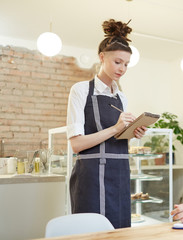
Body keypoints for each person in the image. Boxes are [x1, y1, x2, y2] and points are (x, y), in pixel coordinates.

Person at [66, 19, 146, 228]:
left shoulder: (122, 97)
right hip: (90, 177)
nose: (122, 69)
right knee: (90, 230)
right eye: (118, 62)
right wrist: (116, 128)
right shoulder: (81, 90)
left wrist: (132, 131)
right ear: (102, 57)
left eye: (126, 64)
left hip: (119, 173)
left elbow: (117, 138)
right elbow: (76, 145)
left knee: (119, 230)